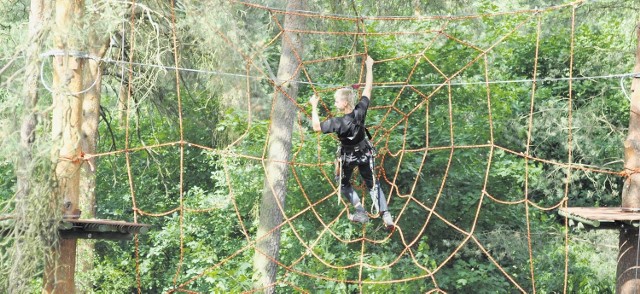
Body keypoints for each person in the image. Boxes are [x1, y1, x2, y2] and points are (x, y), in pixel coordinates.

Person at [310, 56, 394, 230]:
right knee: (372, 184)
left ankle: (361, 211)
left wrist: (313, 106)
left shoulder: (337, 122)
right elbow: (368, 89)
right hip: (365, 154)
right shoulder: (360, 111)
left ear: (345, 102)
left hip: (348, 158)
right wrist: (369, 67)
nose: (334, 103)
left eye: (336, 100)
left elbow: (316, 126)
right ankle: (386, 215)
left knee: (341, 182)